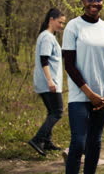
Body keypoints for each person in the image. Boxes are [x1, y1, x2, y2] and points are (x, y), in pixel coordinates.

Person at [62, 0, 104, 174]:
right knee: (78, 143)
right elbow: (69, 65)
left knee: (95, 143)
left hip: (102, 98)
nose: (94, 4)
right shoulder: (73, 26)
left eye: (98, 0)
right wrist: (90, 93)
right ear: (82, 2)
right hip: (80, 96)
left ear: (103, 1)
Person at [28, 8, 66, 156]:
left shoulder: (49, 37)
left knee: (52, 112)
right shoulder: (47, 37)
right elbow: (44, 60)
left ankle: (47, 142)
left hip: (48, 82)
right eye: (60, 22)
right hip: (48, 82)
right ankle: (37, 139)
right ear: (51, 19)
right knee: (57, 112)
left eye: (63, 23)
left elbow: (55, 56)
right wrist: (50, 81)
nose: (61, 26)